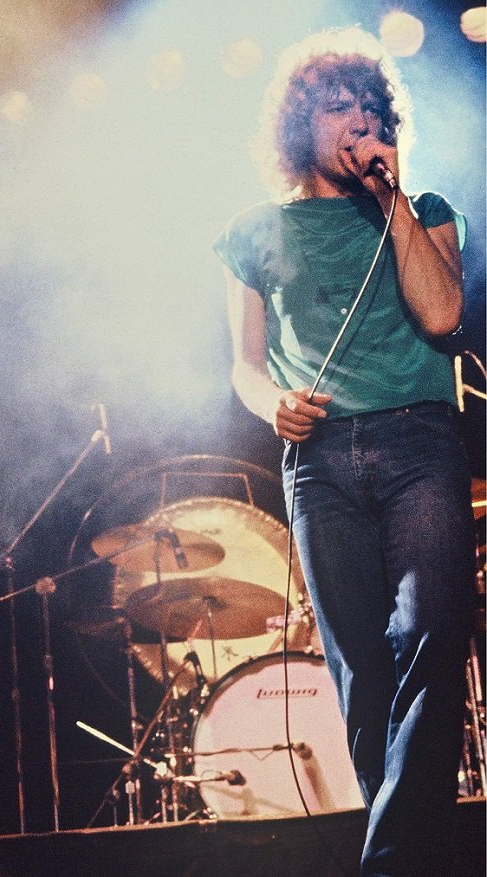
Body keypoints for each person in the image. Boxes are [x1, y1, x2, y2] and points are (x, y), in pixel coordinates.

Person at [215, 28, 477, 875]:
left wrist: (393, 199)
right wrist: (275, 406)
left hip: (418, 444)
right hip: (318, 463)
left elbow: (440, 317)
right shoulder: (252, 232)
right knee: (362, 671)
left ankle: (392, 860)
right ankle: (415, 858)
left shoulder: (425, 211)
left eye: (371, 109)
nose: (359, 123)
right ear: (300, 126)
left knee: (431, 634)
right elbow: (244, 370)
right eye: (338, 108)